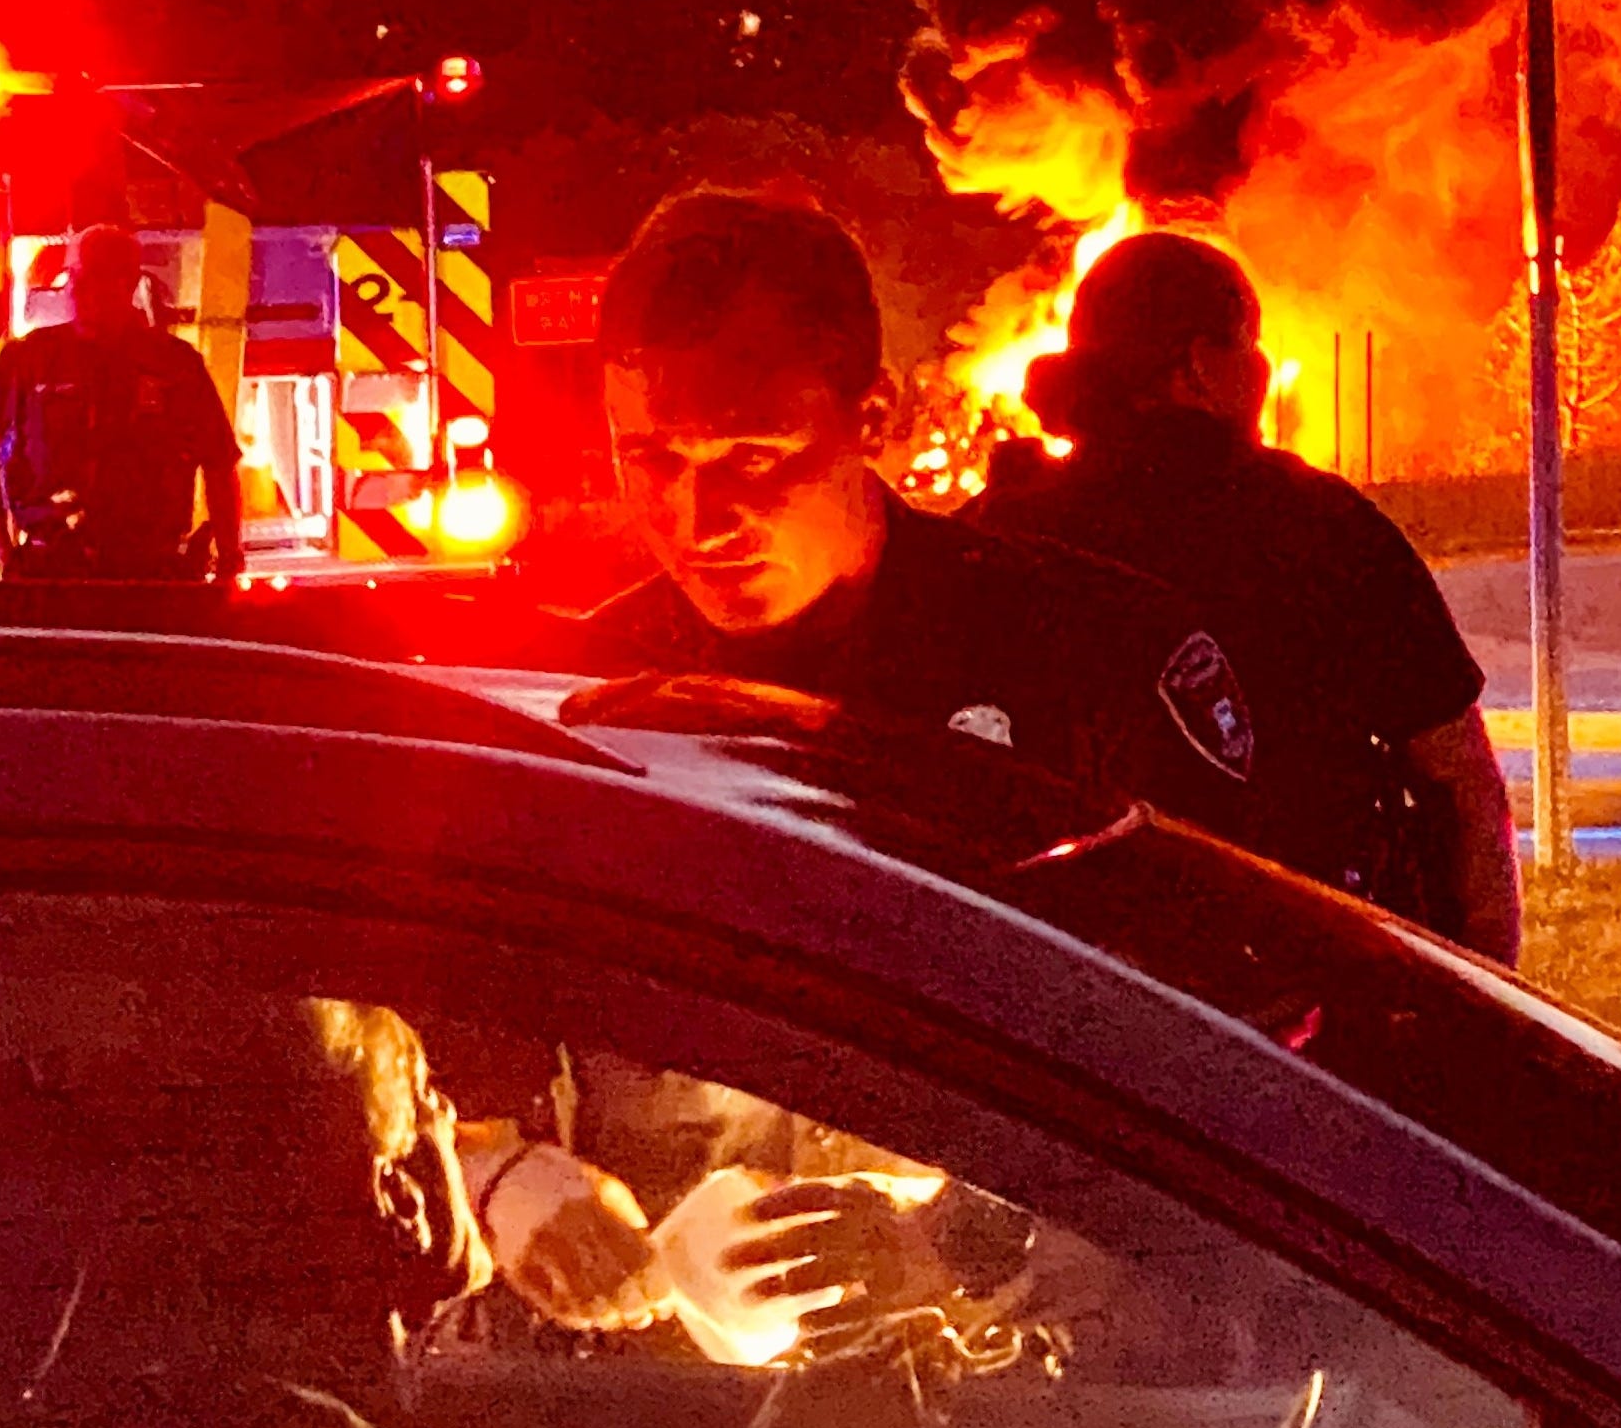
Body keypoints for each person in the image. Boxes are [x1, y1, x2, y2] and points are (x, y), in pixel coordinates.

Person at [576, 190, 1259, 838]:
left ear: (872, 416)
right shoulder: (584, 685)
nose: (701, 519)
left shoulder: (1092, 656)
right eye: (652, 460)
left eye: (752, 457)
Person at [967, 233, 1522, 963]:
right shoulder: (1324, 528)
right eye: (1251, 346)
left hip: (1071, 983)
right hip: (1302, 977)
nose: (1264, 371)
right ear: (1198, 366)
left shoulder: (1002, 534)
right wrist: (1488, 992)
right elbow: (1459, 780)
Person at [0, 223, 243, 581]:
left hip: (152, 571)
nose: (75, 289)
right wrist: (2, 553)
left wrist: (230, 558)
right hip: (51, 572)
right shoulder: (29, 359)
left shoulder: (175, 364)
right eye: (72, 275)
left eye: (92, 278)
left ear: (130, 283)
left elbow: (219, 463)